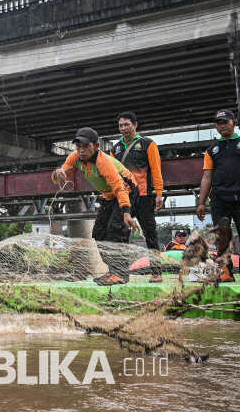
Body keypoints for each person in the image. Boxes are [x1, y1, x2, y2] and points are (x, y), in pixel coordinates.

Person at [53, 127, 140, 286]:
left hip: (127, 192)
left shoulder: (104, 162)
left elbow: (120, 188)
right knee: (99, 231)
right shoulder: (75, 157)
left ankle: (121, 274)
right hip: (108, 196)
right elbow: (61, 175)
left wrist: (127, 213)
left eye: (86, 146)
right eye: (78, 146)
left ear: (96, 146)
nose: (81, 150)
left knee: (115, 228)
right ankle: (113, 270)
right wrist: (57, 173)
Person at [196, 109, 240, 283]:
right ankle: (226, 272)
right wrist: (201, 202)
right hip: (219, 199)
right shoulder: (212, 150)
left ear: (234, 123)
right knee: (222, 237)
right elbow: (207, 177)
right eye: (219, 123)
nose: (222, 126)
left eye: (226, 122)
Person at [110, 112, 165, 283]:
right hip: (124, 198)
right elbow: (111, 174)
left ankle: (156, 272)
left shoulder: (147, 144)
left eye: (127, 124)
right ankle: (122, 274)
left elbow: (156, 169)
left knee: (150, 233)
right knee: (121, 234)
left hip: (143, 196)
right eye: (121, 125)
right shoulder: (115, 148)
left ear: (135, 125)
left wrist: (159, 193)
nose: (123, 128)